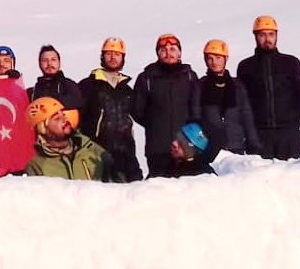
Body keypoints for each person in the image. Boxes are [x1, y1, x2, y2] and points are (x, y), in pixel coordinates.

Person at [235, 16, 300, 161]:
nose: (267, 39)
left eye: (271, 34)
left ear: (276, 36)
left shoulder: (291, 63)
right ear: (255, 36)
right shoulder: (245, 66)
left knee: (296, 174)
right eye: (262, 34)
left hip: (289, 136)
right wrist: (251, 130)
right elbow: (242, 103)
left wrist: (293, 125)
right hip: (259, 136)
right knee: (260, 175)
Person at [132, 34, 200, 178]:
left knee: (188, 187)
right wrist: (154, 124)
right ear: (158, 53)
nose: (168, 53)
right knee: (159, 187)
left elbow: (196, 109)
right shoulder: (146, 78)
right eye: (163, 50)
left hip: (185, 145)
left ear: (179, 53)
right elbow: (137, 110)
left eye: (173, 49)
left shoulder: (190, 76)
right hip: (157, 147)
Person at [77, 37, 143, 182]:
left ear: (123, 58)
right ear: (102, 56)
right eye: (109, 53)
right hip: (97, 151)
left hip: (126, 151)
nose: (113, 57)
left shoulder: (126, 89)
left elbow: (140, 114)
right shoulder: (88, 85)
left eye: (117, 54)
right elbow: (77, 118)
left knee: (135, 189)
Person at [24, 97, 112, 180]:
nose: (65, 119)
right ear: (43, 129)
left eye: (63, 114)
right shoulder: (36, 166)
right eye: (57, 118)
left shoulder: (93, 150)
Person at [197, 40, 260, 155]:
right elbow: (196, 116)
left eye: (218, 58)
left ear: (225, 58)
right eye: (210, 58)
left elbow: (247, 117)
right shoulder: (200, 86)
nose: (214, 62)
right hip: (210, 148)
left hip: (236, 146)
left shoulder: (237, 86)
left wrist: (253, 144)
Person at [29, 45, 83, 110]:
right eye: (45, 60)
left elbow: (79, 104)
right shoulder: (33, 92)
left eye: (53, 60)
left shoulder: (70, 86)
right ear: (39, 64)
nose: (49, 63)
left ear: (59, 63)